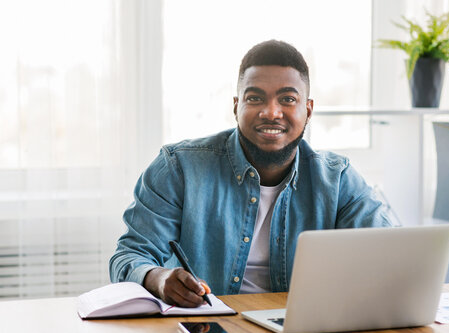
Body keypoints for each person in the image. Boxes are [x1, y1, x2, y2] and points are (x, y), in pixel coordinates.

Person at [109, 40, 392, 308]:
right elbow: (129, 257)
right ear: (236, 106)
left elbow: (392, 253)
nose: (271, 112)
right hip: (209, 331)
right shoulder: (178, 168)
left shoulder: (337, 179)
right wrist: (158, 279)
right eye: (255, 98)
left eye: (288, 99)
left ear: (308, 110)